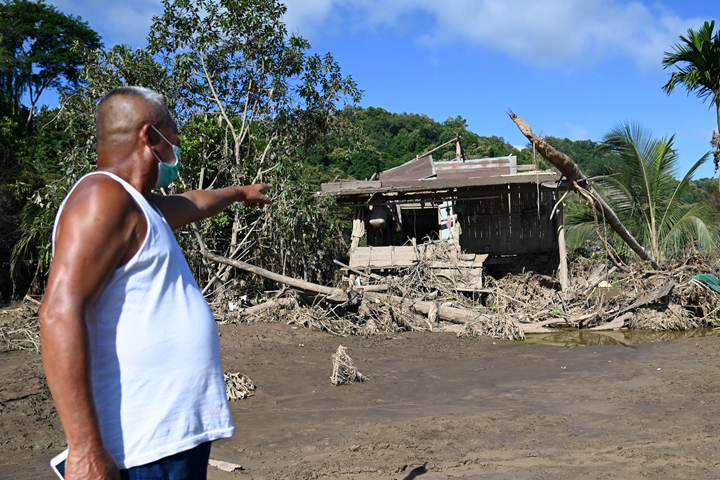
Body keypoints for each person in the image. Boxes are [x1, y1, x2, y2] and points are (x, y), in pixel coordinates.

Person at [39, 86, 271, 480]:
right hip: (142, 444)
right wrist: (84, 449)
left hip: (171, 434)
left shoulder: (140, 205)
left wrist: (240, 193)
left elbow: (196, 202)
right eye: (173, 140)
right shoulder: (101, 197)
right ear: (150, 137)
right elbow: (58, 313)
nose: (175, 154)